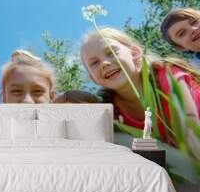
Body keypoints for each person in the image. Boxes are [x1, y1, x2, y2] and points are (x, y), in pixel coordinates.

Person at [80, 27, 200, 160]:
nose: (105, 63)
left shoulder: (166, 75)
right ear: (93, 79)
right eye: (94, 63)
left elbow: (190, 129)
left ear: (134, 53)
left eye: (111, 52)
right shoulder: (112, 114)